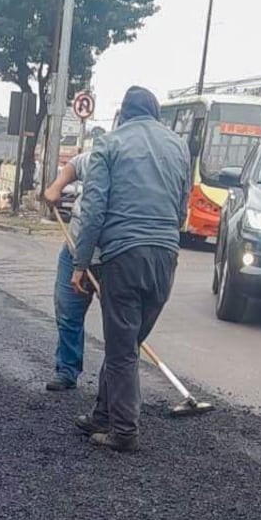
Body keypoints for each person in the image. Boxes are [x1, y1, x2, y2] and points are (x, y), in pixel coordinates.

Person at [73, 86, 191, 453]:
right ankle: (103, 414)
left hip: (124, 255)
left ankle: (124, 431)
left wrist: (80, 263)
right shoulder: (179, 147)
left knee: (123, 347)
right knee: (128, 341)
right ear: (155, 114)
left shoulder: (109, 144)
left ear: (123, 113)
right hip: (165, 257)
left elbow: (93, 211)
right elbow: (182, 210)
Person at [43, 152, 99, 391]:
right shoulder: (101, 155)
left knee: (121, 322)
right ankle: (67, 368)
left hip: (115, 256)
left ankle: (117, 385)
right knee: (67, 309)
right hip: (75, 246)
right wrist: (55, 187)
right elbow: (75, 164)